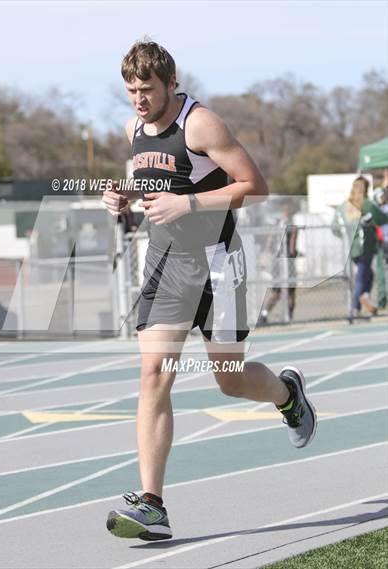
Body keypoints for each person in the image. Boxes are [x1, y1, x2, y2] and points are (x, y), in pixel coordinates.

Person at [102, 40, 317, 542]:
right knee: (154, 372)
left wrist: (189, 205)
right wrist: (125, 195)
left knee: (230, 378)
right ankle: (152, 503)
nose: (138, 99)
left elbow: (254, 184)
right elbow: (151, 177)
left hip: (219, 263)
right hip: (166, 265)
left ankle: (288, 394)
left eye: (147, 89)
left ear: (171, 83)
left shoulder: (201, 124)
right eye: (131, 89)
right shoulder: (132, 126)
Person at [332, 176, 388, 317]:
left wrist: (346, 236)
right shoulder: (366, 204)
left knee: (368, 274)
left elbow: (334, 227)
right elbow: (382, 218)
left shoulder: (343, 206)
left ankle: (365, 296)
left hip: (350, 247)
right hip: (364, 247)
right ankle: (355, 308)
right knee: (362, 277)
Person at [258, 198, 298, 324]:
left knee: (279, 291)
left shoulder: (277, 223)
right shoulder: (290, 225)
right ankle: (287, 317)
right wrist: (293, 253)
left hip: (277, 261)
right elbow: (292, 246)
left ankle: (265, 315)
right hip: (284, 262)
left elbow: (269, 242)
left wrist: (268, 252)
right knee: (287, 290)